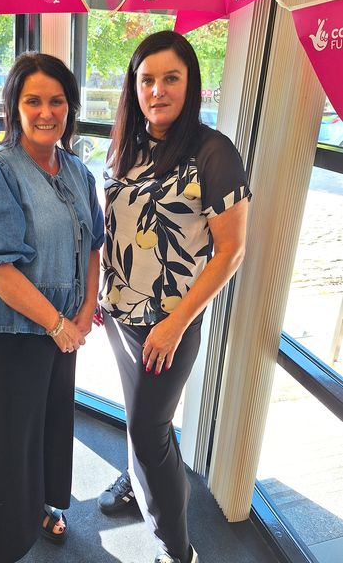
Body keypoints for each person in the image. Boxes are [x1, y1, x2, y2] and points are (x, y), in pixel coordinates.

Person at [98, 30, 251, 563]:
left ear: (191, 84)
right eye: (146, 80)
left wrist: (176, 323)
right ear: (133, 87)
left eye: (170, 78)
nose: (157, 90)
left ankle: (177, 549)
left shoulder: (214, 153)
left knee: (147, 428)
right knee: (142, 421)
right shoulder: (129, 143)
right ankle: (139, 481)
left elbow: (230, 251)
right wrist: (103, 290)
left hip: (168, 323)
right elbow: (116, 225)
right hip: (119, 314)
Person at [0, 52, 104, 563]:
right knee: (8, 446)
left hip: (62, 329)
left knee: (51, 424)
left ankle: (43, 508)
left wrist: (84, 311)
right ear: (14, 108)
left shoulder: (78, 170)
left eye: (56, 101)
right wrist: (60, 323)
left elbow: (94, 244)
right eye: (32, 100)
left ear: (70, 107)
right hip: (9, 333)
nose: (46, 112)